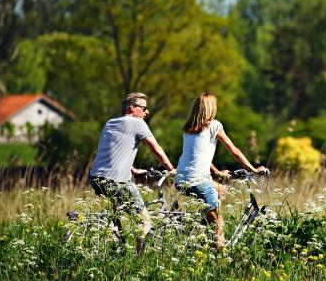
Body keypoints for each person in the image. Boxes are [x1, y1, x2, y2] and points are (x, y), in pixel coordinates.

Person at [176, 92, 267, 249]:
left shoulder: (188, 129)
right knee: (219, 224)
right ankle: (220, 260)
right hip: (198, 181)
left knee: (221, 190)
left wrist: (216, 172)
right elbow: (233, 150)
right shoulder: (214, 126)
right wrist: (253, 169)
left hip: (181, 179)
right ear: (212, 108)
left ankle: (203, 227)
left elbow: (198, 155)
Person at [90, 92, 175, 255]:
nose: (147, 112)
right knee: (145, 221)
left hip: (96, 178)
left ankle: (116, 250)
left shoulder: (110, 123)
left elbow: (113, 153)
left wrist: (134, 170)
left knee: (116, 217)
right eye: (144, 108)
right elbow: (156, 149)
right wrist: (171, 169)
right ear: (131, 108)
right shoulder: (137, 123)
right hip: (116, 181)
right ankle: (138, 262)